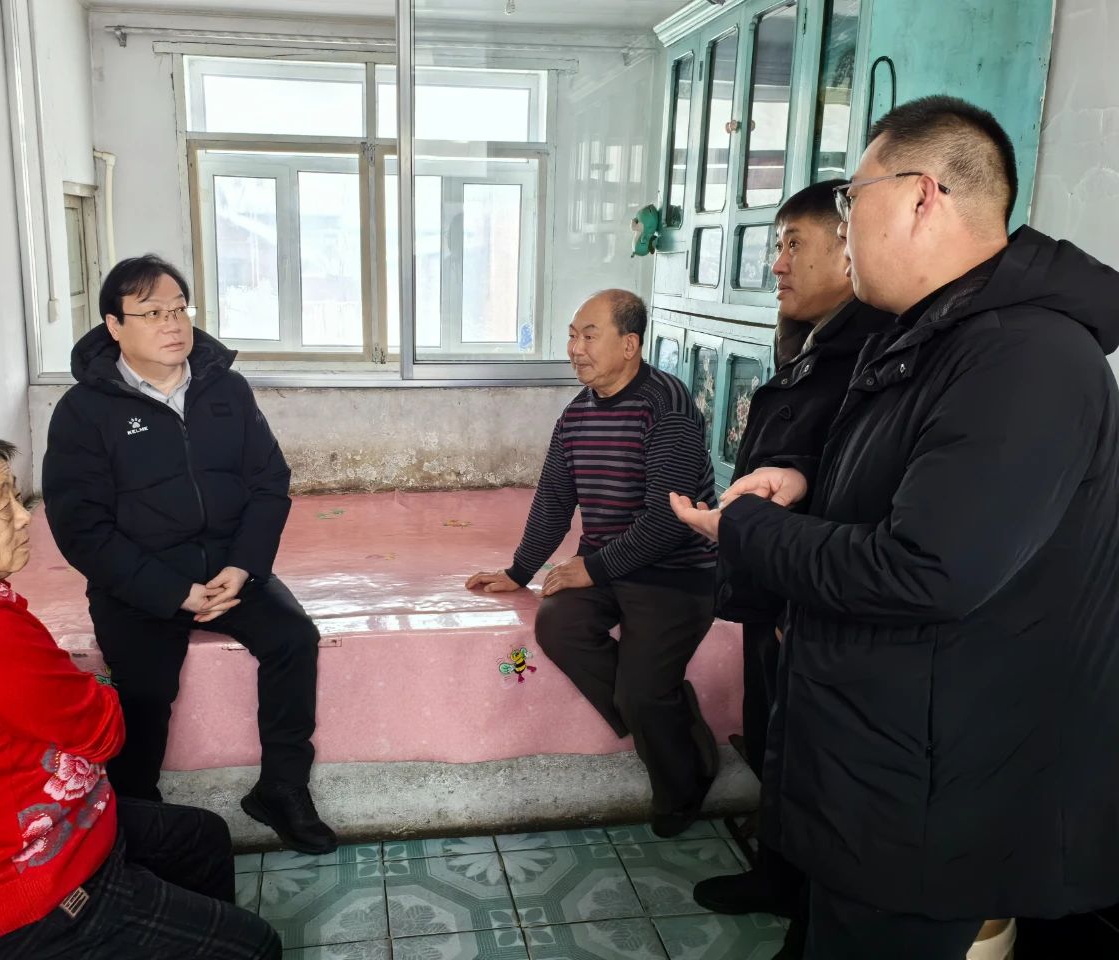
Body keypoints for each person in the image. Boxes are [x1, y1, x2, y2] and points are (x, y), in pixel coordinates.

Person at [670, 95, 1119, 959]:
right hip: (882, 767)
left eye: (851, 199)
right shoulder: (932, 334)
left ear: (922, 195)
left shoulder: (1024, 357)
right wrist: (809, 484)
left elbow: (928, 568)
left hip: (933, 797)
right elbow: (921, 490)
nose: (843, 227)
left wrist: (745, 530)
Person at [0, 429, 280, 959]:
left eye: (17, 496)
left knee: (201, 837)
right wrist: (87, 684)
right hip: (27, 892)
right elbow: (107, 733)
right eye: (2, 503)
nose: (24, 516)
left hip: (62, 828)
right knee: (256, 946)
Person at [42, 254, 334, 854]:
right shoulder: (84, 412)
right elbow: (81, 528)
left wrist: (242, 566)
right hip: (140, 583)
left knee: (293, 640)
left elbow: (269, 482)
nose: (173, 324)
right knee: (144, 691)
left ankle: (282, 788)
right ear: (114, 326)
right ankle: (139, 817)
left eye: (179, 309)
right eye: (152, 313)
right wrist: (171, 592)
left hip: (229, 568)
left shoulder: (225, 389)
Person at [692, 180, 894, 957]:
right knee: (775, 738)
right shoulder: (810, 340)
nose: (776, 263)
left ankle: (806, 903)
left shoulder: (870, 352)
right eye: (776, 244)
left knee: (810, 759)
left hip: (809, 589)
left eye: (793, 244)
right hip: (774, 579)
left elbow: (850, 493)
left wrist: (791, 595)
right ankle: (777, 875)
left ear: (848, 253)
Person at [466, 289, 721, 836]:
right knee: (558, 624)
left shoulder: (667, 407)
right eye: (571, 335)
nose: (574, 349)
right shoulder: (576, 415)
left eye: (589, 336)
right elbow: (553, 501)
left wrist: (594, 568)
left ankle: (684, 785)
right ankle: (670, 711)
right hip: (608, 565)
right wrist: (519, 571)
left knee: (639, 691)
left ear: (630, 345)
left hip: (674, 572)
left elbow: (669, 520)